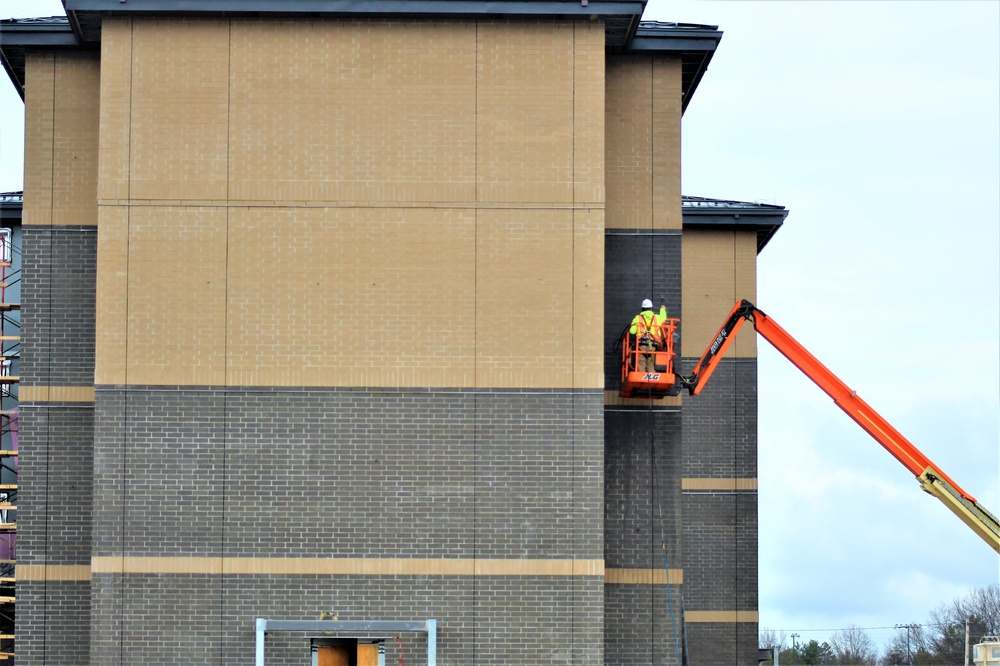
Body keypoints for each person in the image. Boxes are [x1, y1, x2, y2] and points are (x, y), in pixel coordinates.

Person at [629, 298, 668, 372]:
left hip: (642, 344)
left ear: (642, 308)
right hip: (653, 345)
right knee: (651, 361)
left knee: (641, 362)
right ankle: (652, 375)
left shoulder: (638, 318)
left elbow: (632, 331)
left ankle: (641, 376)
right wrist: (662, 309)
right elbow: (663, 318)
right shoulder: (657, 317)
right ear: (651, 308)